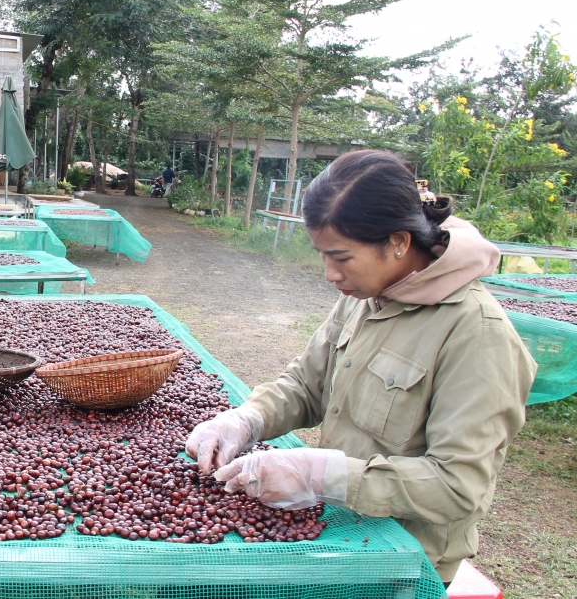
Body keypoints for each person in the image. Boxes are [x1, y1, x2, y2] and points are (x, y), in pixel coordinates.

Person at [185, 149, 535, 584]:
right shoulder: (370, 294)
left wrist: (321, 474)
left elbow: (457, 486)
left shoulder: (477, 334)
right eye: (323, 255)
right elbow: (306, 384)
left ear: (398, 243)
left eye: (342, 257)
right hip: (341, 528)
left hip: (402, 558)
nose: (330, 274)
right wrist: (247, 419)